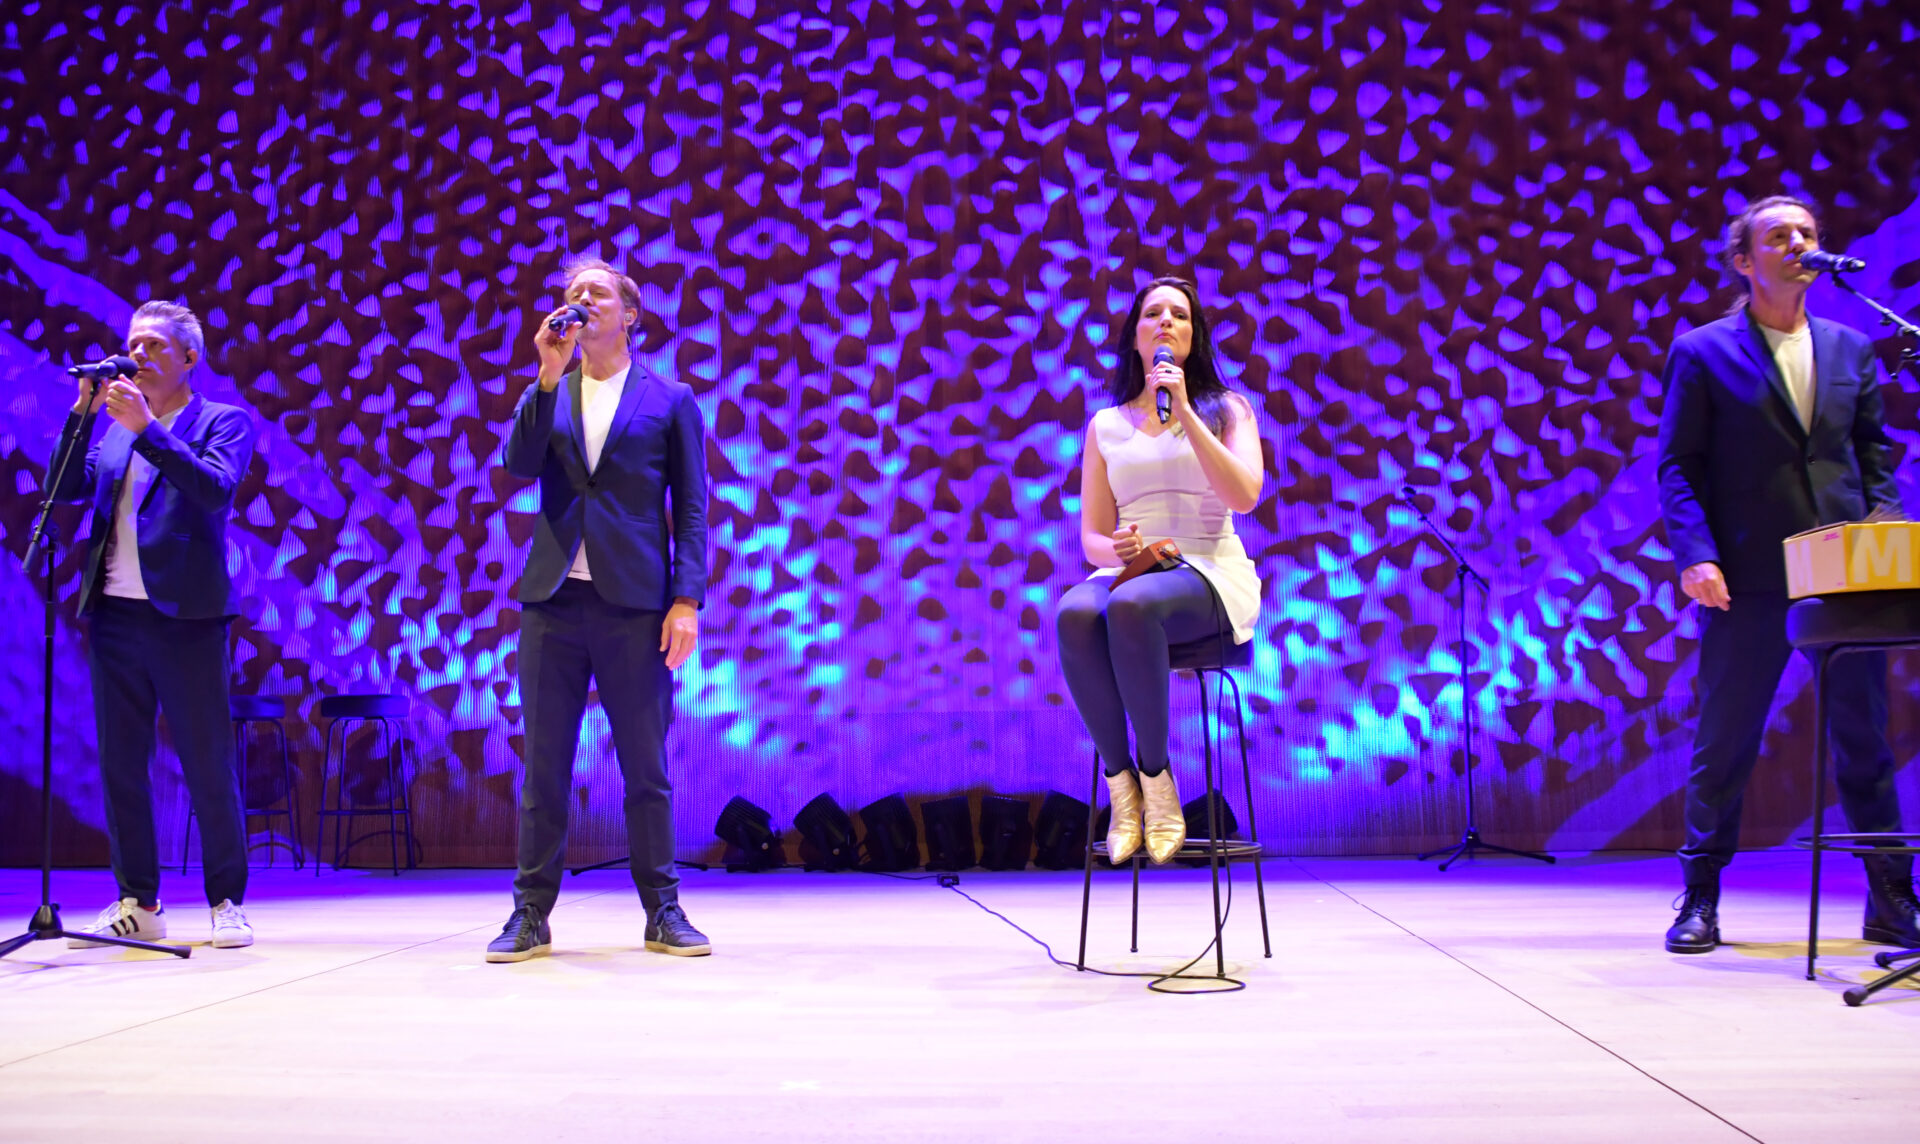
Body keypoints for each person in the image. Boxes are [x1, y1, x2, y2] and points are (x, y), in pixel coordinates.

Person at [1657, 194, 1920, 954]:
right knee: (1727, 736)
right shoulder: (1703, 351)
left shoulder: (1850, 347)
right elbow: (1679, 464)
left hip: (1842, 572)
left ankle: (1892, 899)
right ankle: (1700, 896)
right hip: (1747, 571)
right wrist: (1695, 554)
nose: (1799, 243)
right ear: (1745, 261)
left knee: (1863, 737)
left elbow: (1872, 459)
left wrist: (1885, 535)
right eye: (1780, 236)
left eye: (1807, 234)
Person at [487, 257, 711, 963]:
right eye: (572, 293)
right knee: (544, 765)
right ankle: (530, 914)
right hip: (554, 601)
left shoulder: (669, 398)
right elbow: (519, 463)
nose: (581, 299)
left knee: (645, 766)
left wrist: (685, 599)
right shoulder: (552, 386)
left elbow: (694, 507)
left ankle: (663, 910)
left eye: (598, 291)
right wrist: (545, 375)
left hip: (635, 603)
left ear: (630, 314)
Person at [46, 301, 260, 949]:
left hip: (186, 617)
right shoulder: (113, 427)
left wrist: (149, 430)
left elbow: (215, 489)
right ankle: (138, 899)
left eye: (153, 346)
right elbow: (65, 487)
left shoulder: (223, 421)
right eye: (131, 343)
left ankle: (226, 900)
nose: (136, 355)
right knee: (121, 764)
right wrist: (82, 417)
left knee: (206, 762)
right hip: (113, 613)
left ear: (188, 358)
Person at [1055, 277, 1264, 865]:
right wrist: (1116, 548)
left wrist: (1189, 416)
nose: (1167, 321)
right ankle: (1122, 789)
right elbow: (1092, 538)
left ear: (1193, 337)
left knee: (1132, 605)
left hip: (1207, 567)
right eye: (1154, 314)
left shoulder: (1228, 410)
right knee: (1073, 613)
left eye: (1180, 314)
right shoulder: (1106, 425)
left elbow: (1245, 495)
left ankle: (1157, 777)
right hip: (1137, 568)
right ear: (1137, 337)